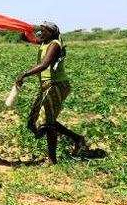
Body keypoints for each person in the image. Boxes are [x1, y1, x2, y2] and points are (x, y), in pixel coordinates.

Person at [16, 22, 87, 164]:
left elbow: (44, 65)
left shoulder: (54, 44)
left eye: (43, 31)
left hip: (56, 85)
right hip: (45, 86)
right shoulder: (44, 41)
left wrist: (24, 74)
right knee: (32, 122)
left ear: (51, 33)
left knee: (47, 124)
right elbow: (25, 38)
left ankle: (52, 159)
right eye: (40, 31)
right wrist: (23, 29)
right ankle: (77, 138)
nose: (40, 33)